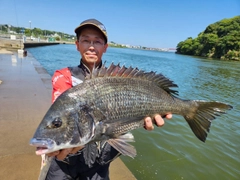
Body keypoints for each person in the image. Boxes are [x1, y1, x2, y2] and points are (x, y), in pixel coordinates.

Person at [46, 18, 172, 180]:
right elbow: (64, 116)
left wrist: (148, 115)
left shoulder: (121, 77)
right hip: (66, 163)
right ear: (77, 44)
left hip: (100, 163)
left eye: (97, 41)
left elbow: (132, 110)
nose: (91, 46)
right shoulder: (63, 76)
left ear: (105, 47)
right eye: (85, 40)